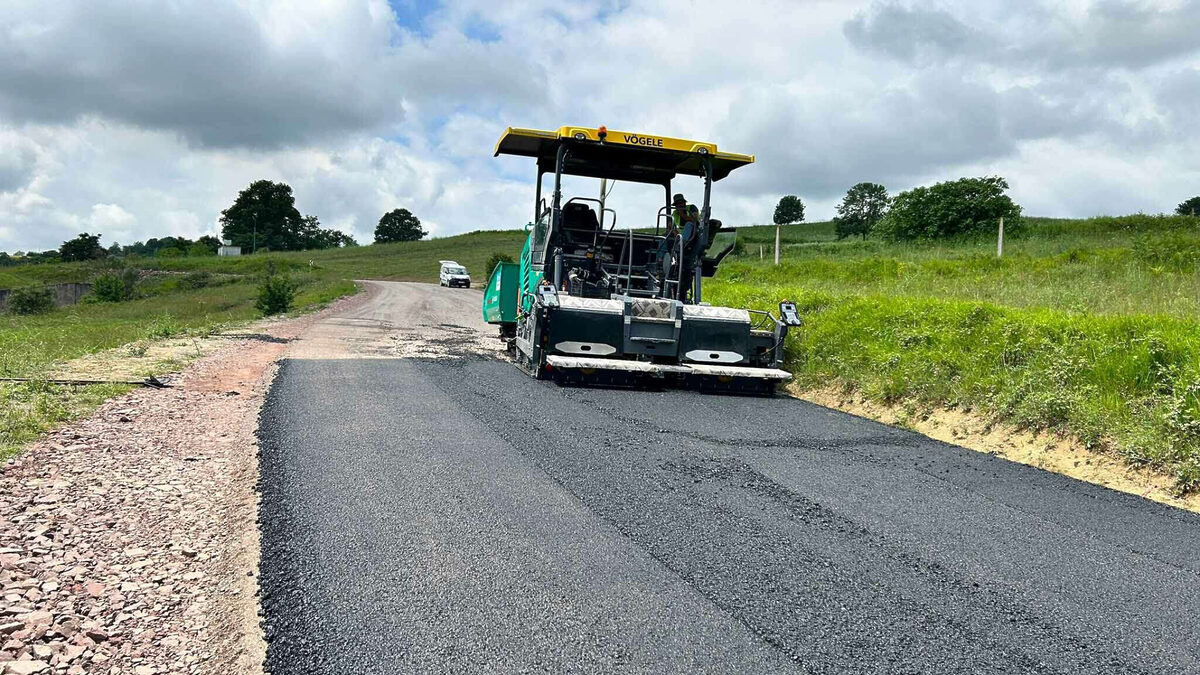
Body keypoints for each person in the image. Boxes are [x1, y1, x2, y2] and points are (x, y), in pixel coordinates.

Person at [652, 194, 701, 295]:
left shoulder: (691, 208)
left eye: (681, 203)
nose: (679, 206)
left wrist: (683, 215)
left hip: (691, 237)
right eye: (677, 204)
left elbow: (695, 221)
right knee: (664, 237)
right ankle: (660, 260)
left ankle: (681, 245)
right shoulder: (674, 214)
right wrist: (673, 231)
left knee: (689, 224)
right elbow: (673, 228)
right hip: (678, 237)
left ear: (684, 202)